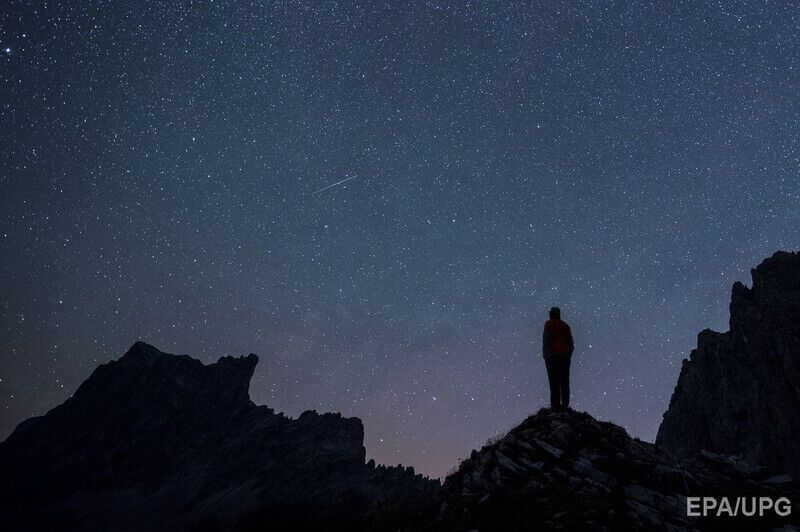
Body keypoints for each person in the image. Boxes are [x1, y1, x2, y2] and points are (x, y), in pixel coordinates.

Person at [542, 306, 574, 410]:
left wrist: (545, 354)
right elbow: (571, 344)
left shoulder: (548, 324)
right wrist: (568, 355)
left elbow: (546, 340)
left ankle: (555, 405)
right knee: (564, 381)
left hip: (553, 356)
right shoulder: (565, 326)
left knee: (554, 381)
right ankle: (565, 404)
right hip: (564, 356)